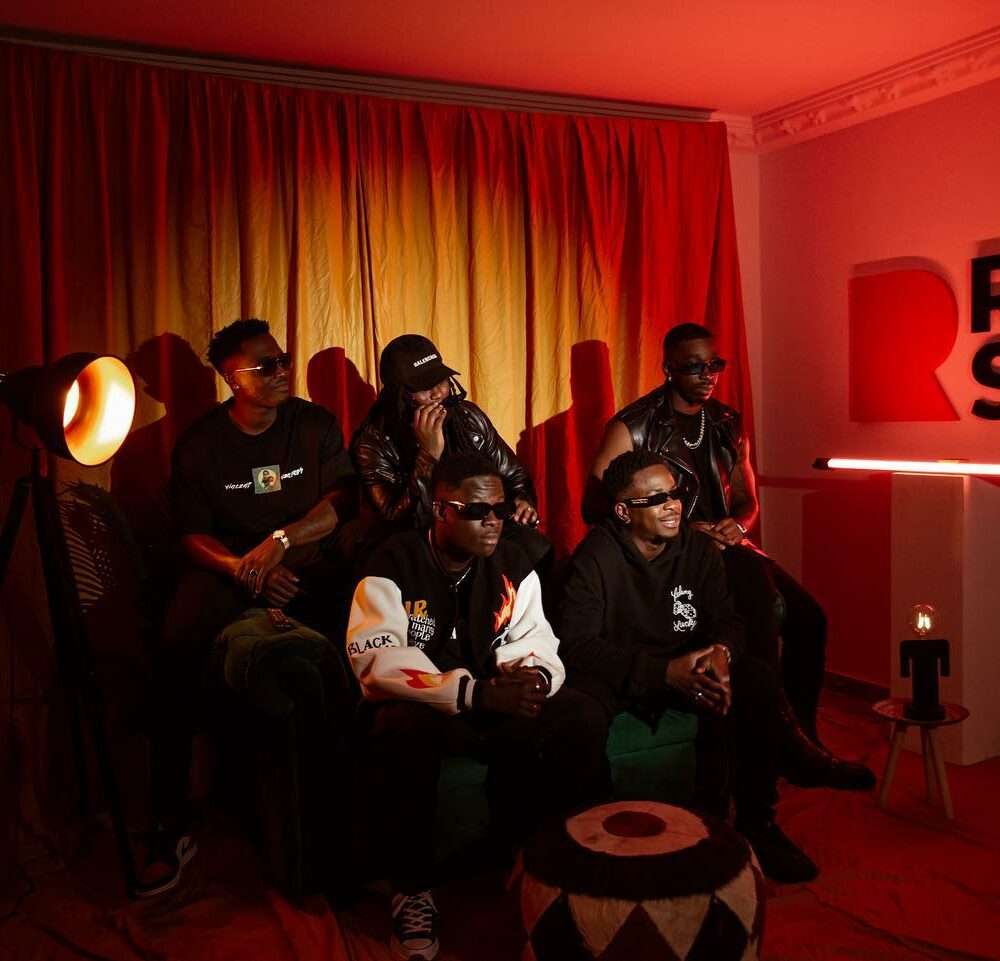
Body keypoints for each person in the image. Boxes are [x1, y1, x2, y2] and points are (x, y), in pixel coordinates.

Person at [588, 323, 874, 788]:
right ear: (668, 368)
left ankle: (801, 738)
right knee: (759, 604)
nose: (707, 375)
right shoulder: (633, 425)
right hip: (676, 553)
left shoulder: (726, 423)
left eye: (714, 365)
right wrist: (682, 529)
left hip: (731, 544)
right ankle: (781, 744)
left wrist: (738, 524)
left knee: (810, 618)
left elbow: (747, 499)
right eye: (693, 367)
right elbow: (598, 504)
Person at [347, 452, 608, 961]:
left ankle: (544, 858)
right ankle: (411, 888)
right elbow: (376, 662)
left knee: (581, 714)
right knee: (399, 725)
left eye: (501, 509)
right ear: (439, 509)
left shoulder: (514, 561)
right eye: (476, 511)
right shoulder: (391, 564)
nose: (493, 522)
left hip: (491, 701)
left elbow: (536, 638)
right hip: (429, 707)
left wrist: (532, 677)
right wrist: (471, 692)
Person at [139, 319, 356, 897]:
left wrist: (282, 542)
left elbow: (342, 502)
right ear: (232, 379)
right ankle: (169, 822)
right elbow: (191, 534)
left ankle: (353, 813)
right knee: (174, 650)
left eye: (283, 359)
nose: (283, 371)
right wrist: (244, 569)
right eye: (266, 366)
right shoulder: (202, 443)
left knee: (360, 629)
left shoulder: (313, 424)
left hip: (305, 564)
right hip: (229, 572)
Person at [560, 450, 849, 883]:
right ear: (623, 511)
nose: (673, 506)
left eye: (674, 494)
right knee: (578, 712)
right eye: (656, 499)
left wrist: (721, 652)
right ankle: (594, 845)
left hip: (689, 667)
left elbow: (728, 620)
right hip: (626, 673)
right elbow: (578, 646)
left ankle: (757, 825)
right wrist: (662, 672)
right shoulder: (595, 557)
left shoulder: (696, 548)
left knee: (757, 679)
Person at [350, 335, 548, 564]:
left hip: (476, 523)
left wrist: (522, 501)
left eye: (441, 381)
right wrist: (427, 456)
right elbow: (395, 520)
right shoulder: (373, 442)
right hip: (420, 541)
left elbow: (513, 474)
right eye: (424, 387)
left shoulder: (468, 417)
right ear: (399, 395)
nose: (437, 393)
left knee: (537, 549)